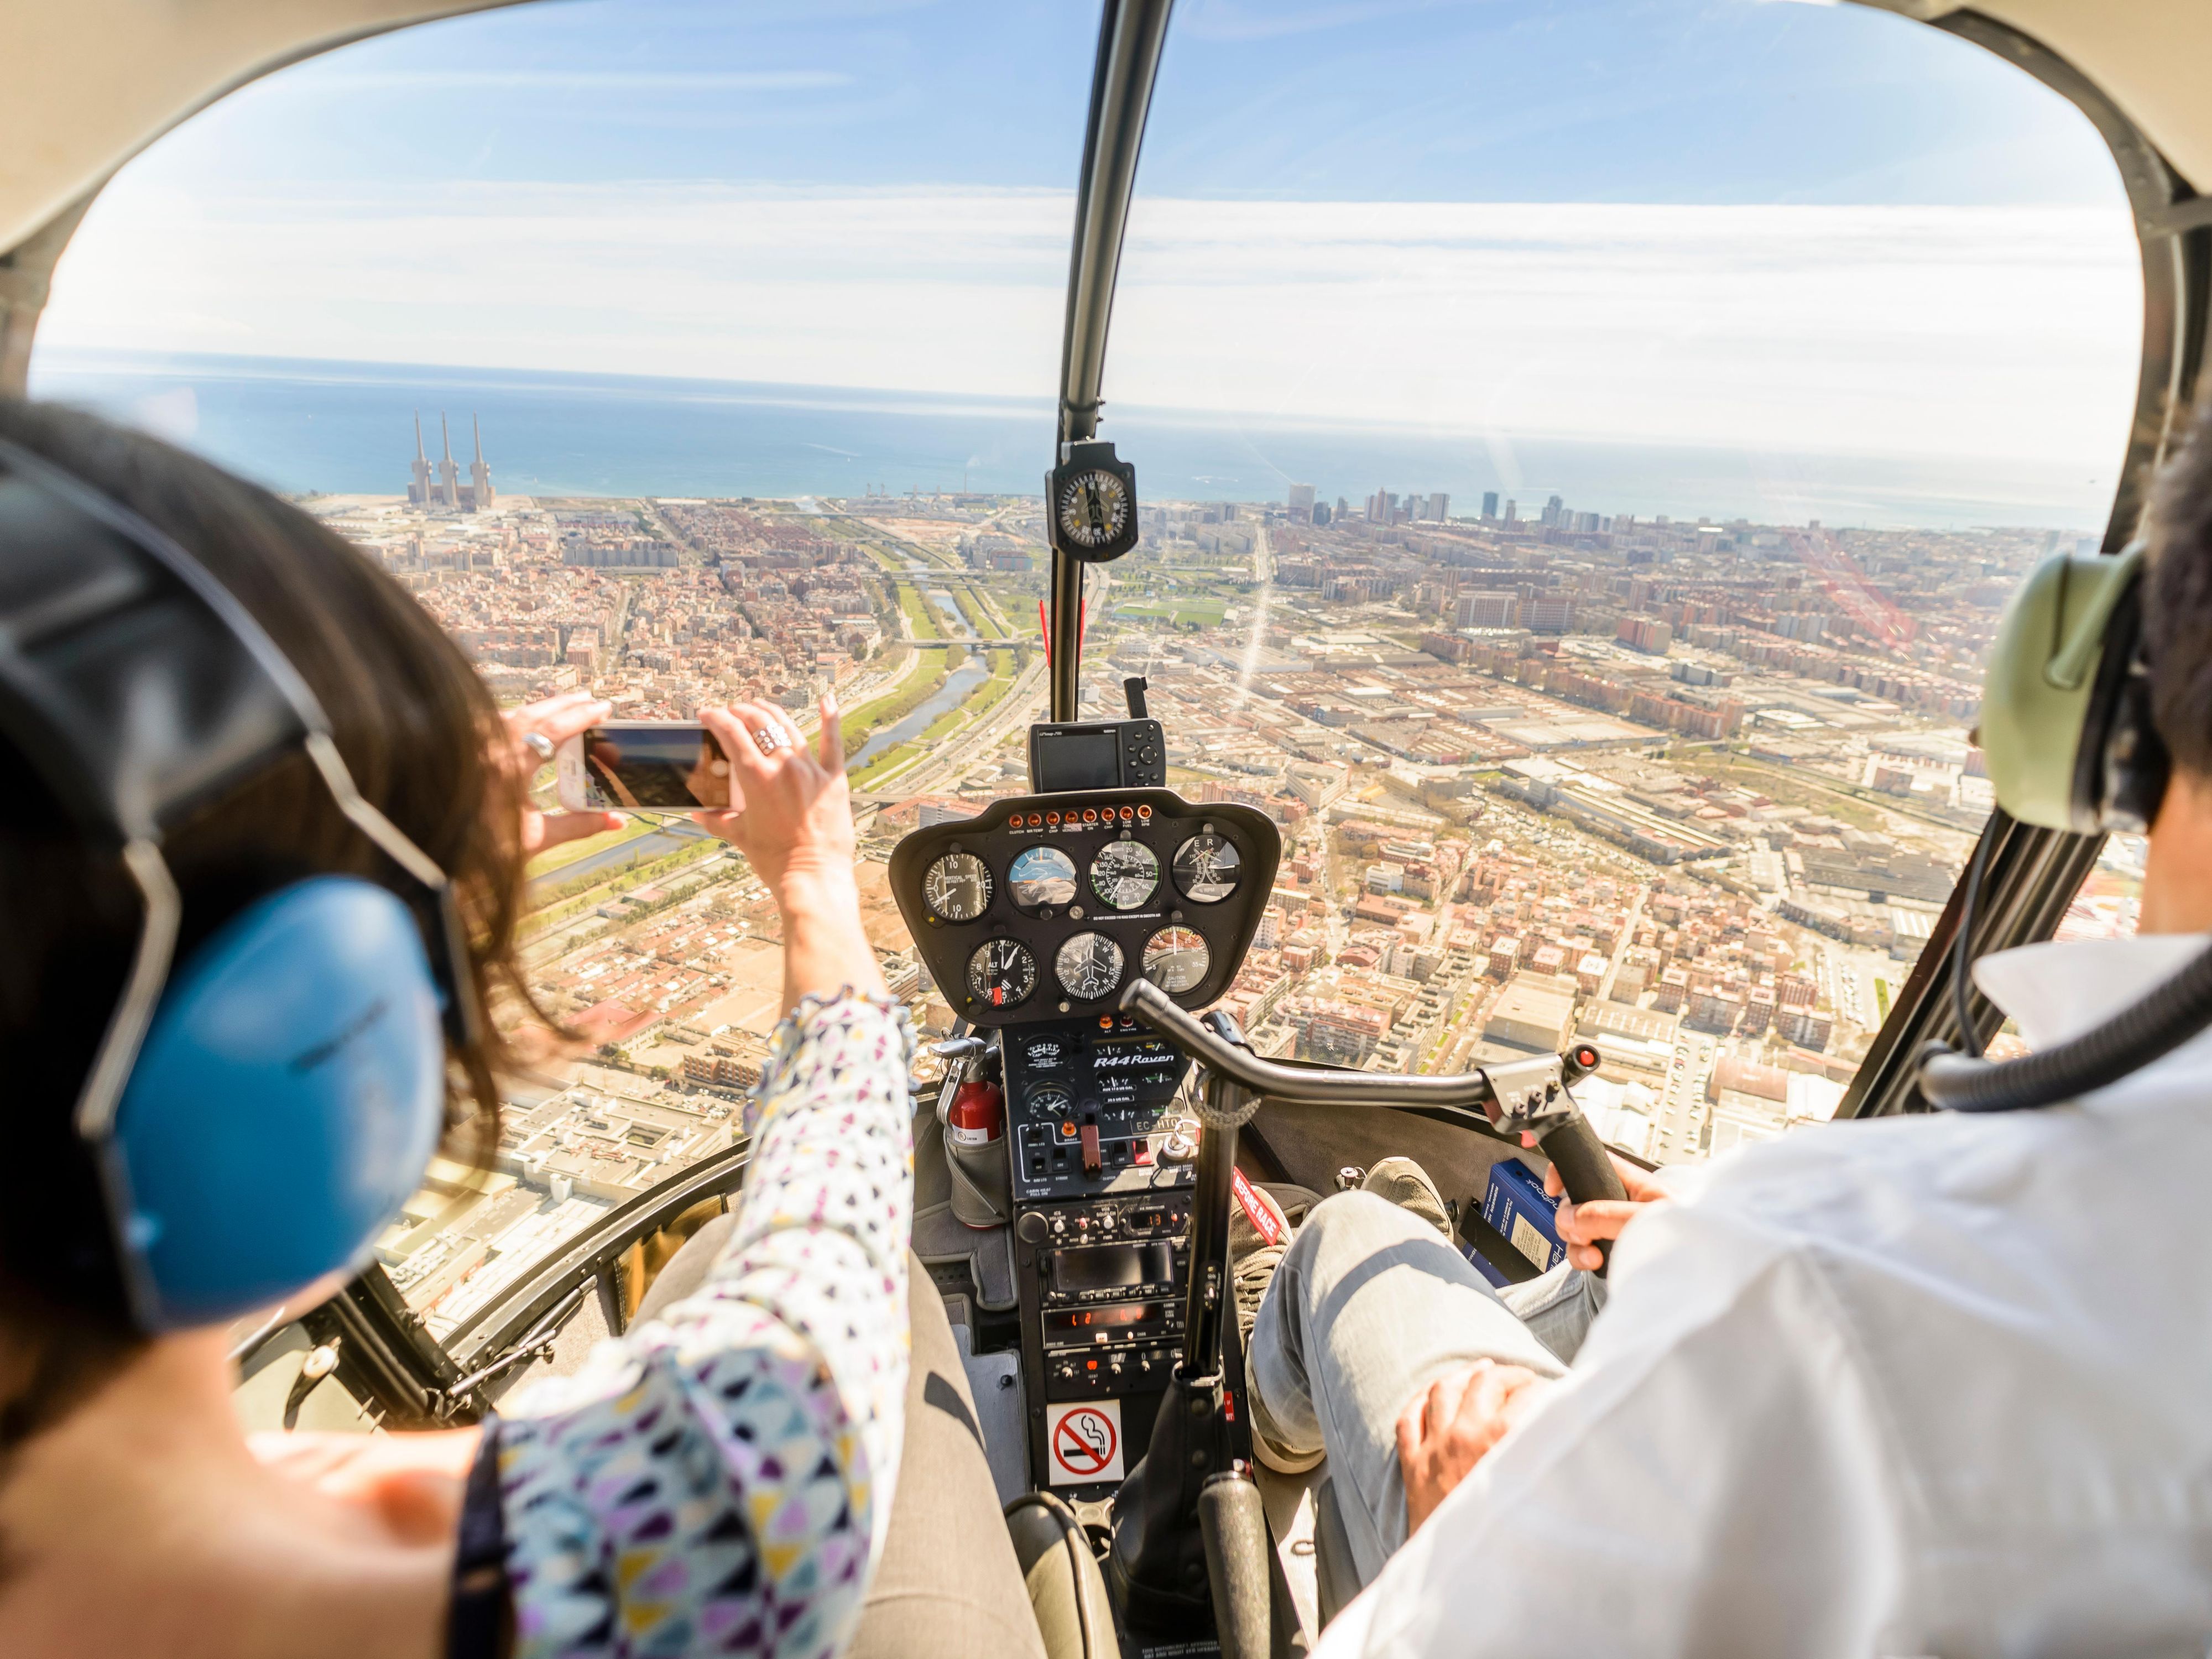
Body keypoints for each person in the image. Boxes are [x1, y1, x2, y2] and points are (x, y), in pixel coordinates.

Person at [0, 400, 1024, 1659]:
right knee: (884, 1299)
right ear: (317, 1056)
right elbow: (821, 1291)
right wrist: (811, 881)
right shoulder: (635, 1568)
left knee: (711, 1270)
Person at [1249, 400, 2212, 1655]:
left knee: (1347, 1242)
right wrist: (1712, 1259)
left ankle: (1255, 1436)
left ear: (2107, 713)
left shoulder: (1829, 1277)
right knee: (1544, 1269)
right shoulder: (1811, 1264)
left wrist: (1475, 1524)